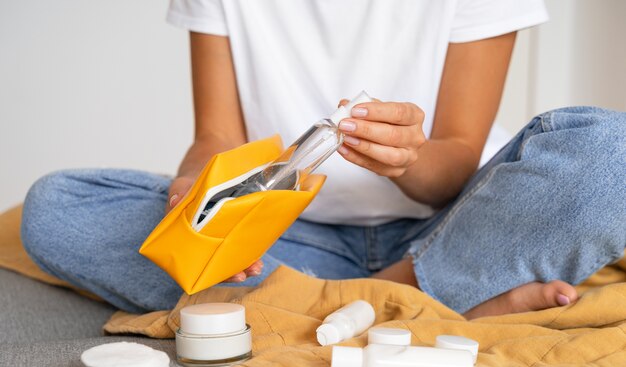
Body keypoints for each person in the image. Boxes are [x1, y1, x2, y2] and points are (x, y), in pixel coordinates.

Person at [21, 0, 625, 318]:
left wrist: (408, 159)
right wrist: (200, 187)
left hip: (451, 229)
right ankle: (434, 302)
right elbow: (216, 138)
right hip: (281, 239)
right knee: (57, 208)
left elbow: (456, 166)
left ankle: (349, 301)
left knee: (613, 155)